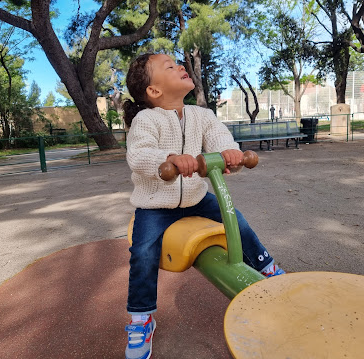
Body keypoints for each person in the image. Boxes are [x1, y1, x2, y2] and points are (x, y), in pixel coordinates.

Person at [122, 53, 285, 359]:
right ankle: (141, 318)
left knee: (235, 219)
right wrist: (168, 159)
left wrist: (231, 154)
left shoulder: (202, 115)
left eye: (178, 64)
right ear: (154, 91)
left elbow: (220, 138)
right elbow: (139, 155)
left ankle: (267, 267)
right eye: (170, 67)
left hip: (196, 196)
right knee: (143, 252)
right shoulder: (146, 120)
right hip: (156, 204)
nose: (180, 66)